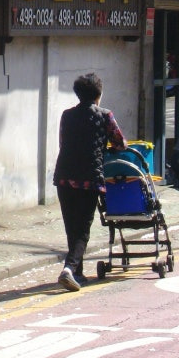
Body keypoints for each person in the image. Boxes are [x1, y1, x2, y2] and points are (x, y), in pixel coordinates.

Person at [53, 72, 126, 291]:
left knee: (71, 227)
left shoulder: (67, 115)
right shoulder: (105, 115)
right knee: (83, 229)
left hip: (64, 177)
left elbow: (63, 142)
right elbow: (120, 143)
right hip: (89, 179)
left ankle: (78, 273)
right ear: (98, 95)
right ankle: (69, 269)